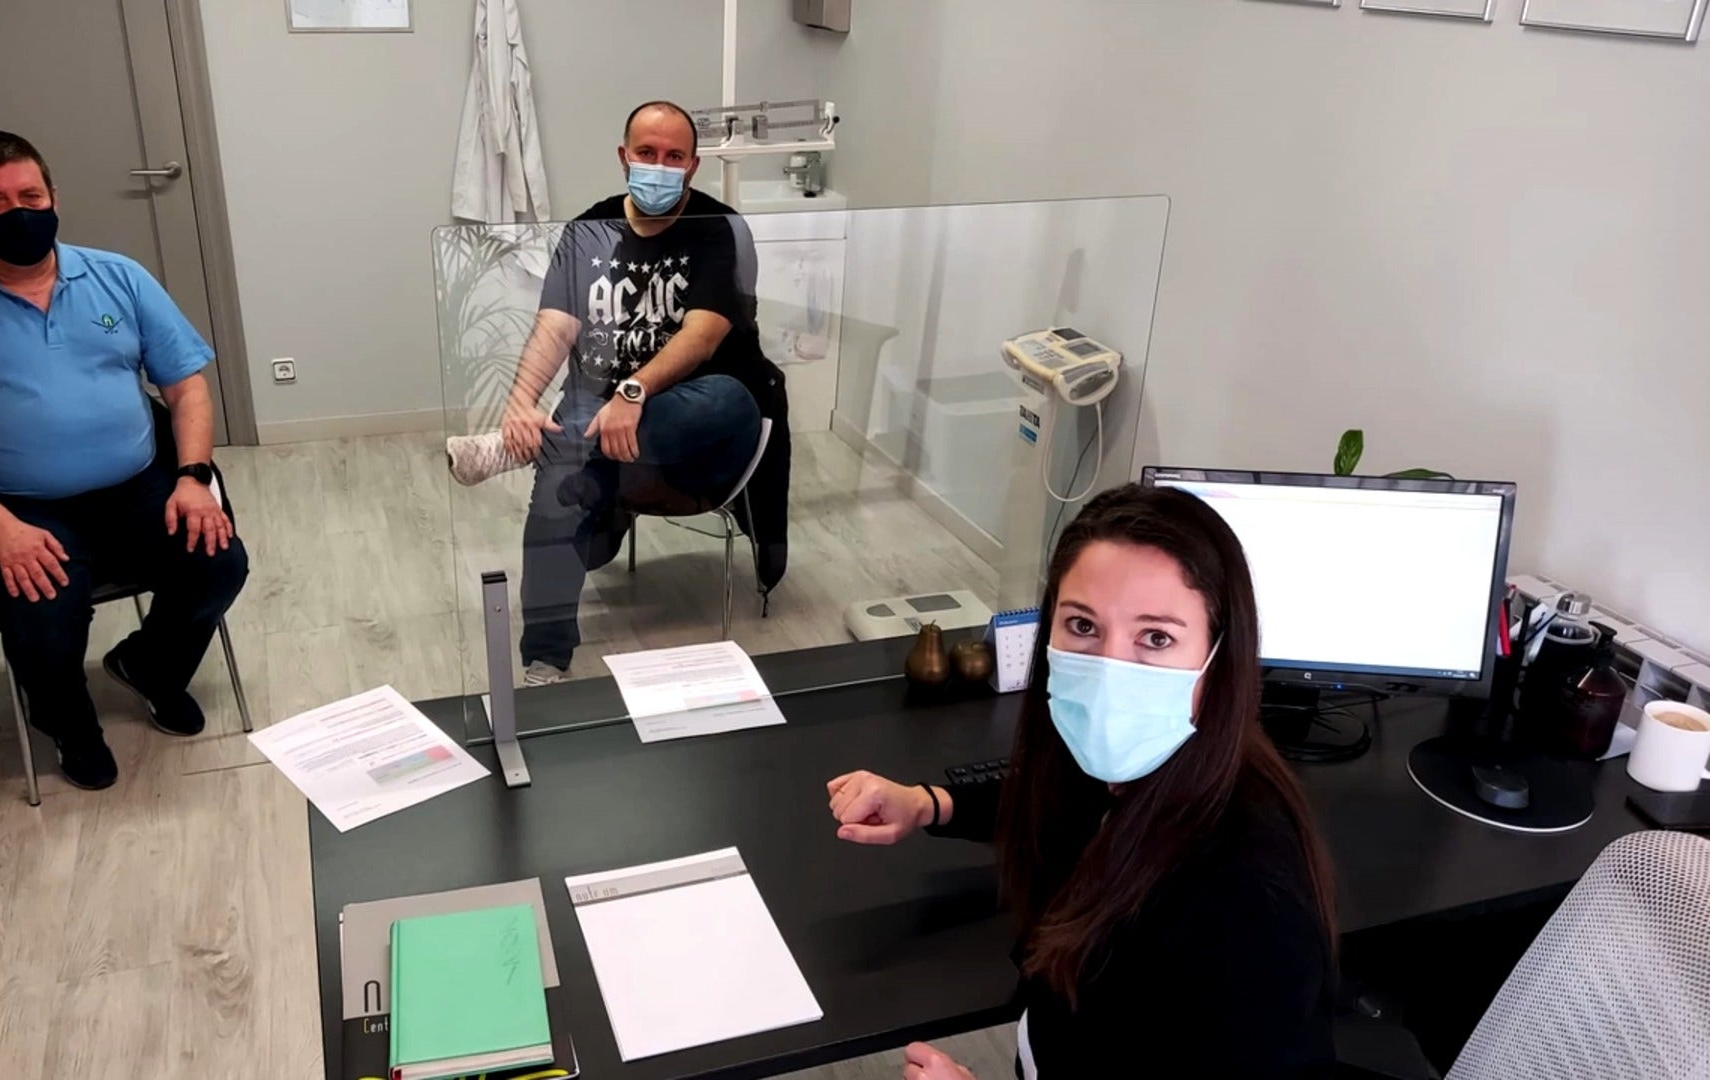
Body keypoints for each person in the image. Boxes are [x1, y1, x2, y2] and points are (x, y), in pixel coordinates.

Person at [826, 485, 1338, 1079]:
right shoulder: (1136, 766)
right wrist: (927, 804)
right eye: (1082, 625)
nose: (1108, 670)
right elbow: (1056, 800)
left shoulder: (1250, 902)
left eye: (1156, 638)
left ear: (1218, 659)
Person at [0, 130, 247, 791]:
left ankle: (150, 667)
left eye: (30, 196)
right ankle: (69, 724)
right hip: (15, 506)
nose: (18, 212)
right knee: (43, 614)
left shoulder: (117, 277)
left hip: (136, 486)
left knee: (219, 564)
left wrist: (193, 477)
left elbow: (186, 387)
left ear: (53, 197)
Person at [445, 100, 789, 686]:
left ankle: (542, 447)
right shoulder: (589, 231)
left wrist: (633, 391)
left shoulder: (719, 229)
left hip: (704, 424)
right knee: (563, 473)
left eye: (674, 156)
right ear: (624, 157)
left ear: (693, 165)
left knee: (716, 401)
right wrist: (520, 404)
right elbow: (556, 325)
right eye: (647, 153)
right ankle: (545, 660)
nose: (660, 165)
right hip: (606, 420)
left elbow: (703, 335)